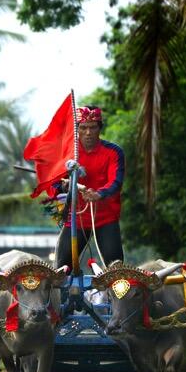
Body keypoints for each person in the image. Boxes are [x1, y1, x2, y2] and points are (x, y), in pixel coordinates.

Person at [54, 106, 125, 270]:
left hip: (105, 218)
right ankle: (67, 295)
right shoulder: (69, 152)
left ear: (100, 128)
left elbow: (116, 182)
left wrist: (99, 194)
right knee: (60, 271)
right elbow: (55, 182)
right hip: (75, 218)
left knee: (116, 270)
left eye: (93, 127)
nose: (88, 132)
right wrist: (64, 186)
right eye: (83, 127)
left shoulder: (114, 152)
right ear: (77, 129)